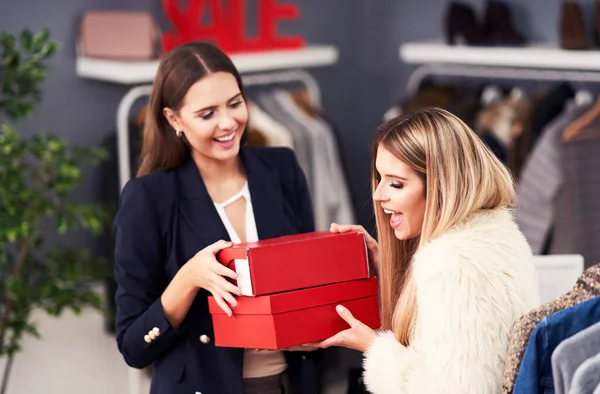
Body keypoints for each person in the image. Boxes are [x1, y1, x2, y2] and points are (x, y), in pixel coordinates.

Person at [113, 42, 322, 394]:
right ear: (174, 119)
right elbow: (133, 346)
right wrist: (188, 279)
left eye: (235, 103)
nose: (228, 123)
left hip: (290, 384)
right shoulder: (148, 198)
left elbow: (309, 289)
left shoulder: (282, 168)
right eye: (207, 113)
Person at [318, 108, 540, 393]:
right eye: (379, 178)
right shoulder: (496, 234)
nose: (378, 194)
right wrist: (387, 270)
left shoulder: (453, 264)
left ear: (440, 185)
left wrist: (374, 347)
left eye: (396, 183)